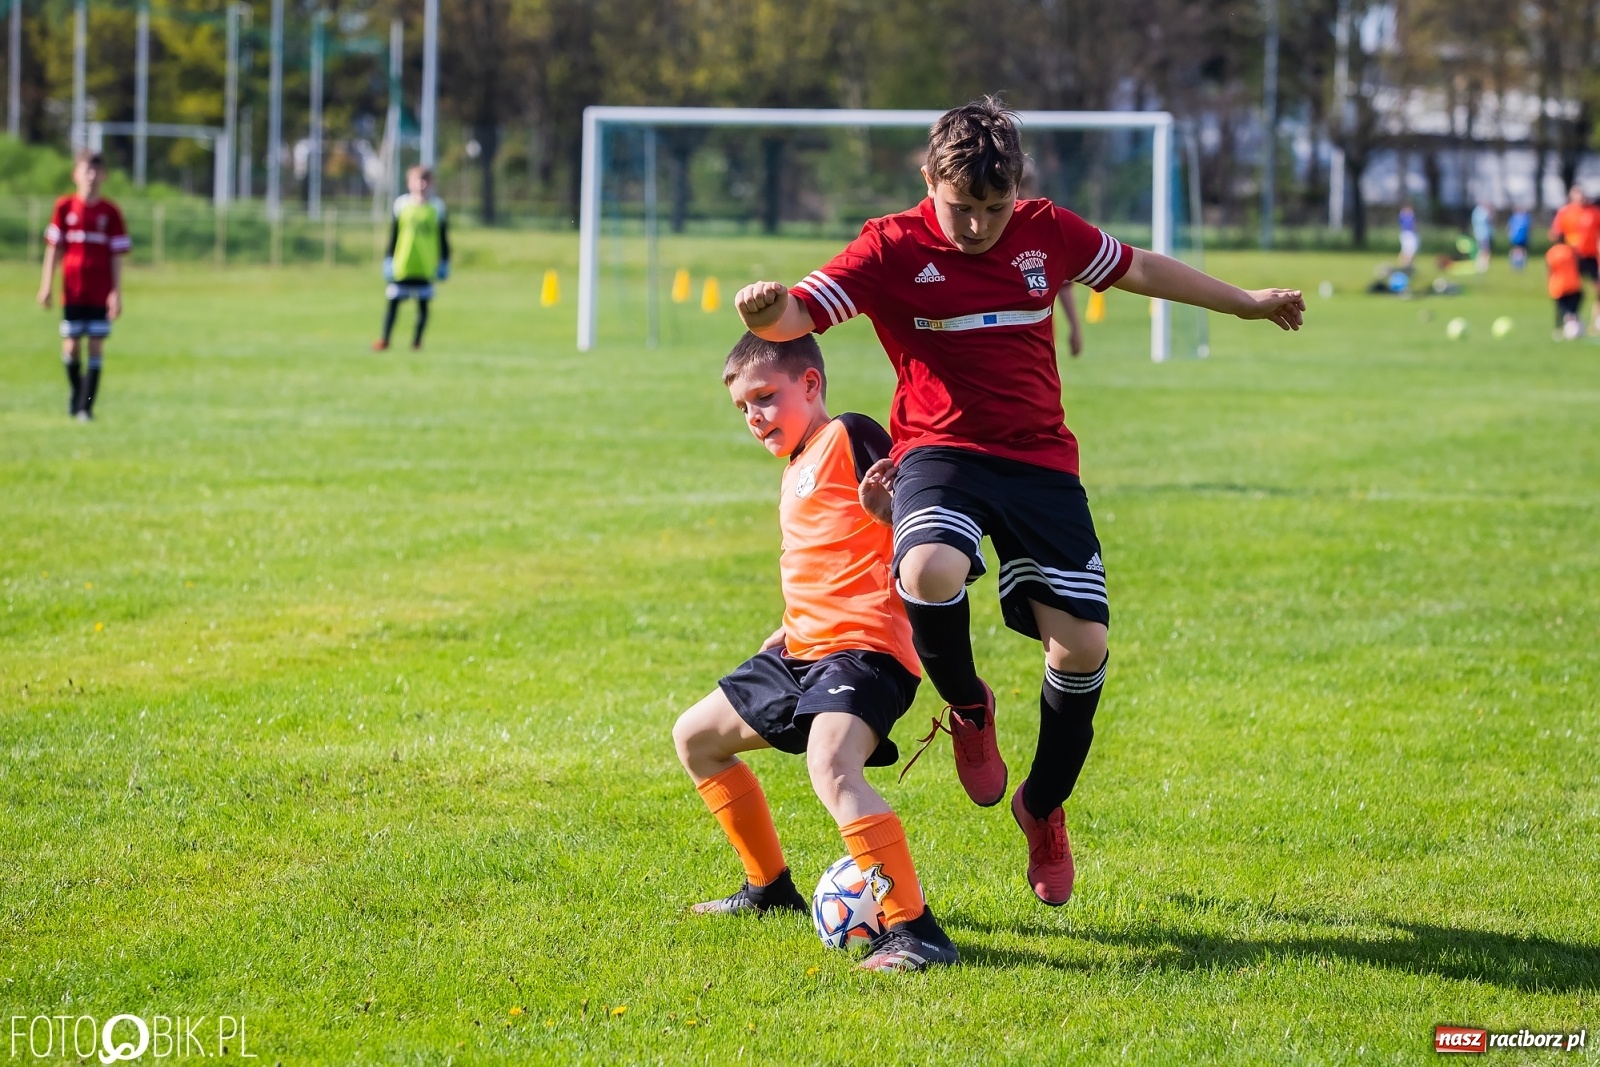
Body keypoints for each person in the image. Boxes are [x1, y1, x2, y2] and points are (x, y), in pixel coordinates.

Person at [734, 97, 1303, 907]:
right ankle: (969, 705)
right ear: (928, 179)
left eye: (994, 209)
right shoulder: (890, 244)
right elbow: (801, 308)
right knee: (928, 567)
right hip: (940, 452)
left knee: (1081, 649)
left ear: (1018, 191)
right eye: (962, 208)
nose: (977, 227)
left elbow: (1139, 266)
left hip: (1039, 462)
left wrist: (1245, 300)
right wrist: (768, 312)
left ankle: (1042, 804)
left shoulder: (1048, 230)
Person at [671, 332, 959, 973]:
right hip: (803, 648)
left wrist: (891, 511)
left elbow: (919, 514)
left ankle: (916, 932)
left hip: (866, 651)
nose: (755, 417)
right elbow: (826, 556)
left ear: (809, 385)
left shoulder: (848, 435)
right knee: (695, 737)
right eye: (743, 408)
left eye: (766, 398)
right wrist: (789, 622)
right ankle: (768, 888)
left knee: (831, 764)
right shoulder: (794, 468)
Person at [36, 151, 129, 421]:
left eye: (96, 171)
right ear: (75, 174)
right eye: (86, 170)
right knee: (72, 346)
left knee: (97, 346)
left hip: (100, 291)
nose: (91, 176)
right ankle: (78, 396)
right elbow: (53, 250)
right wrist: (46, 286)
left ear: (104, 175)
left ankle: (85, 408)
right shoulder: (64, 207)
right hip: (73, 290)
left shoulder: (110, 212)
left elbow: (116, 256)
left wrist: (116, 293)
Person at [373, 165, 449, 351]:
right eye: (417, 180)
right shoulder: (401, 205)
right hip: (403, 263)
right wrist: (388, 259)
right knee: (393, 303)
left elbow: (443, 236)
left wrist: (445, 260)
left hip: (425, 264)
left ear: (431, 184)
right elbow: (394, 234)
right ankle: (385, 340)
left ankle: (417, 342)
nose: (421, 184)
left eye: (425, 180)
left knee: (423, 305)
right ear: (409, 183)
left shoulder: (437, 207)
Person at [1549, 185, 1598, 330]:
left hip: (1590, 255)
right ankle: (1568, 319)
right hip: (1570, 257)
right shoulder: (1565, 213)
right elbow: (1555, 233)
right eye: (1577, 194)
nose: (1581, 197)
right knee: (1570, 289)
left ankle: (1596, 320)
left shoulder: (1593, 212)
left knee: (1597, 287)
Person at [1546, 234, 1583, 340]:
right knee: (1573, 309)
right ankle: (1574, 327)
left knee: (1562, 309)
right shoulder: (1571, 251)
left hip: (1558, 285)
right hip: (1572, 283)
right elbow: (1579, 266)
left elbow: (1549, 269)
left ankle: (1560, 329)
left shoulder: (1551, 252)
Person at [1471, 201, 1493, 273]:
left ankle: (1480, 265)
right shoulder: (1482, 211)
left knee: (1481, 249)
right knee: (1485, 250)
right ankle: (1483, 265)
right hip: (1483, 233)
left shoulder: (1476, 211)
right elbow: (1489, 220)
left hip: (1479, 233)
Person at [1507, 206, 1531, 272]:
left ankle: (1516, 265)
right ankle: (1519, 265)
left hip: (1516, 237)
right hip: (1522, 237)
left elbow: (1509, 227)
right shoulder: (1525, 217)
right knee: (1521, 250)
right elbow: (1529, 228)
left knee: (1517, 250)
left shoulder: (1514, 217)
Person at [1398, 203, 1419, 269]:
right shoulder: (1405, 216)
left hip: (1408, 234)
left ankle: (1408, 264)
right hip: (1408, 234)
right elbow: (1413, 225)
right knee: (1408, 250)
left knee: (1408, 250)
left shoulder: (1406, 216)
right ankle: (1405, 264)